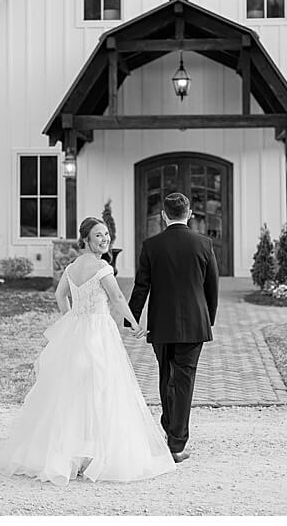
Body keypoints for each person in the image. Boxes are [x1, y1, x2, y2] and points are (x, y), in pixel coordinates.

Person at [0, 217, 175, 485]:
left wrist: (70, 318)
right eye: (98, 235)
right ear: (85, 239)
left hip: (76, 332)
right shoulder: (102, 267)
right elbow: (118, 298)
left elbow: (60, 296)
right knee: (102, 388)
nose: (104, 239)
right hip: (98, 333)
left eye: (106, 234)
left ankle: (76, 451)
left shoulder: (72, 267)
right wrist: (133, 324)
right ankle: (96, 453)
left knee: (74, 390)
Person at [126, 192, 219, 463]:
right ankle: (176, 443)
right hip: (194, 324)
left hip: (162, 324)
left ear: (163, 215)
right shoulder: (204, 243)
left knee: (166, 377)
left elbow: (141, 285)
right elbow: (211, 287)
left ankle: (170, 428)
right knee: (184, 380)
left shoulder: (151, 245)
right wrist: (208, 318)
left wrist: (131, 318)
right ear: (189, 213)